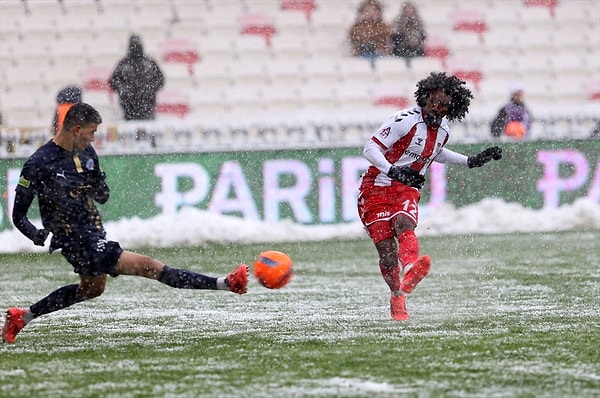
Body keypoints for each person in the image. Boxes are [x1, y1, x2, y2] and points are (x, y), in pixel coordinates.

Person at [2, 103, 248, 344]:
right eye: (91, 133)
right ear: (76, 130)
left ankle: (22, 317)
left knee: (92, 289)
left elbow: (102, 196)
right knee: (148, 266)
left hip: (94, 232)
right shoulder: (39, 163)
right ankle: (225, 283)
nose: (93, 139)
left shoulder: (87, 153)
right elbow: (18, 215)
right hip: (74, 240)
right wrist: (35, 234)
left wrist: (99, 185)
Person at [357, 72, 502, 321]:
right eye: (434, 101)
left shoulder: (444, 130)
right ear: (425, 98)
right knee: (387, 253)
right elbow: (370, 148)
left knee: (404, 223)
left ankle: (412, 267)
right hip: (375, 187)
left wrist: (471, 161)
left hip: (406, 187)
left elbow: (436, 152)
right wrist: (393, 170)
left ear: (451, 108)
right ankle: (396, 295)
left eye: (444, 105)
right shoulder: (404, 120)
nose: (437, 108)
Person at [109, 34, 165, 121]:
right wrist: (123, 90)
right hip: (128, 110)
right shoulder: (124, 64)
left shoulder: (149, 63)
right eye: (133, 44)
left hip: (148, 108)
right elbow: (113, 81)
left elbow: (160, 80)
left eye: (137, 44)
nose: (135, 46)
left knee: (149, 132)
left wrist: (149, 89)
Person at [348, 0, 390, 66]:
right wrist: (362, 23)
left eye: (373, 10)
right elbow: (355, 37)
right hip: (362, 53)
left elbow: (384, 38)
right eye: (367, 10)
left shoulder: (383, 25)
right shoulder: (358, 26)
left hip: (378, 53)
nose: (370, 13)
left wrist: (374, 23)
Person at [390, 1, 426, 67]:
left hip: (415, 49)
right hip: (400, 49)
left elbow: (421, 36)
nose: (408, 11)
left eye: (410, 9)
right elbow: (394, 36)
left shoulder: (418, 21)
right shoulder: (398, 21)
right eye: (406, 9)